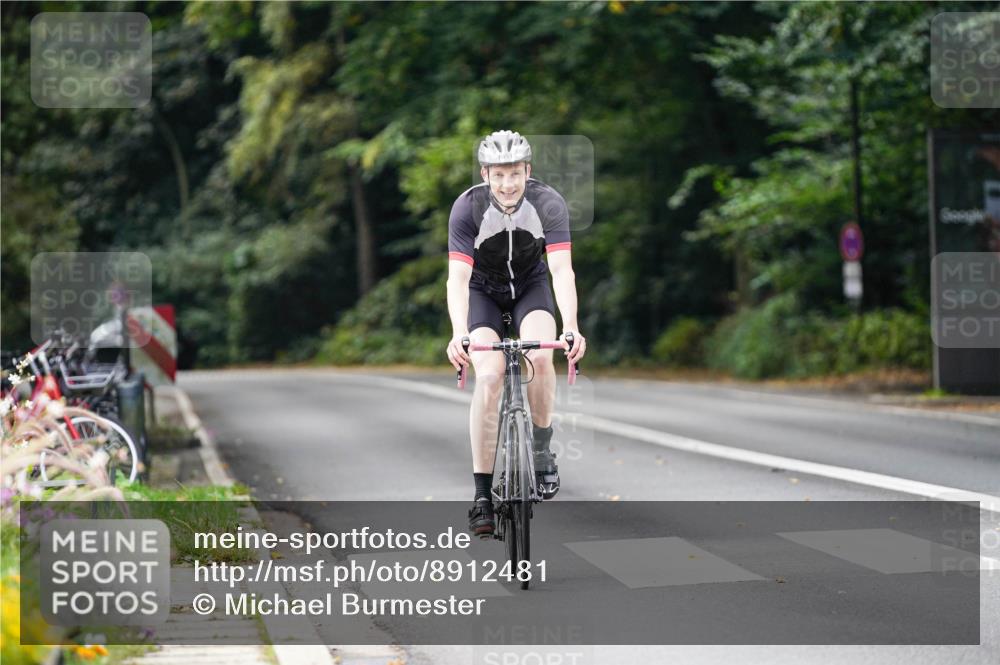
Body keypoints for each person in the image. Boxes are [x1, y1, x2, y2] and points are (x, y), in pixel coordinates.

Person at [445, 130, 587, 537]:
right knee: (489, 376)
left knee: (540, 356)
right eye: (498, 175)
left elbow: (561, 271)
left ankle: (540, 450)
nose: (507, 184)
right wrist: (459, 332)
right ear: (485, 175)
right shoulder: (467, 208)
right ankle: (482, 496)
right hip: (482, 292)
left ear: (528, 171)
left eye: (515, 174)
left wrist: (571, 326)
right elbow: (458, 278)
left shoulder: (548, 203)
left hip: (530, 287)